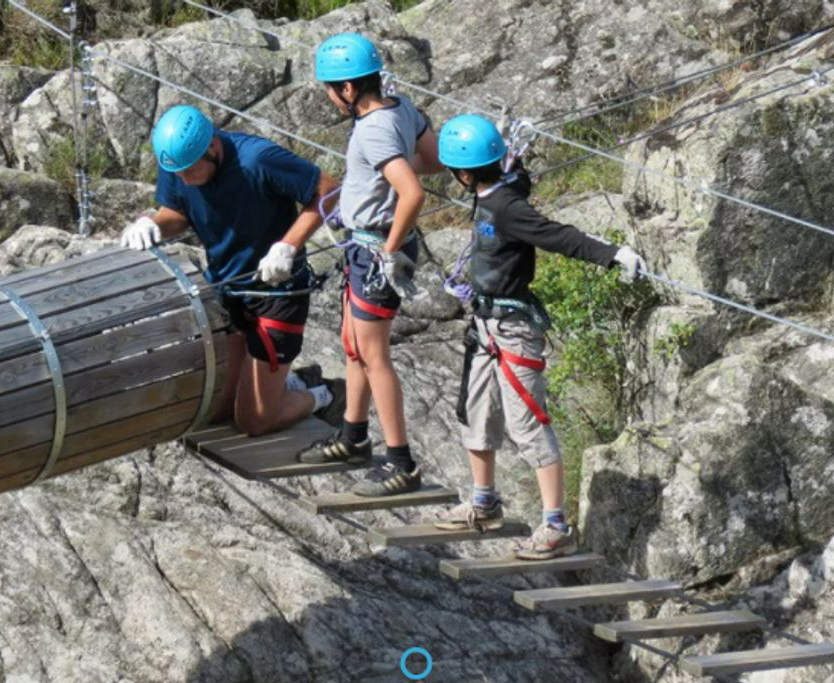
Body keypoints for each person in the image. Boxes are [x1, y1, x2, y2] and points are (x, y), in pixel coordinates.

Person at [432, 114, 647, 559]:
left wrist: (611, 255)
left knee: (527, 422)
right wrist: (517, 158)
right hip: (486, 327)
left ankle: (556, 527)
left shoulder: (508, 208)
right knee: (474, 413)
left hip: (513, 332)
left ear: (465, 174)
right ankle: (483, 501)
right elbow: (517, 179)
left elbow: (557, 236)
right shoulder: (497, 191)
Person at [120, 104, 342, 436]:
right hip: (227, 289)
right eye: (178, 174)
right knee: (216, 411)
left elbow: (330, 190)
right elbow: (177, 212)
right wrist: (151, 224)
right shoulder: (178, 160)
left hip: (278, 293)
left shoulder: (257, 160)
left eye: (190, 171)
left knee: (253, 421)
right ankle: (289, 383)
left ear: (212, 146)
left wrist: (288, 245)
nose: (185, 180)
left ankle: (325, 394)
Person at [297, 32, 443, 497]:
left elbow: (414, 192)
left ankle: (402, 463)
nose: (329, 97)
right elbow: (433, 160)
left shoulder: (374, 128)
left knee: (375, 357)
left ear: (347, 88)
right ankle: (353, 436)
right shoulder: (401, 109)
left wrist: (388, 246)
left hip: (375, 249)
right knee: (355, 346)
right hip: (367, 245)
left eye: (329, 88)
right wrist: (377, 184)